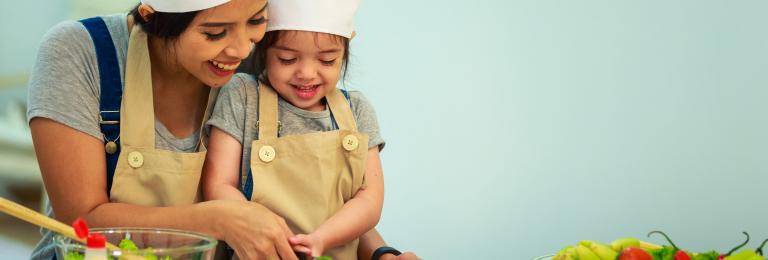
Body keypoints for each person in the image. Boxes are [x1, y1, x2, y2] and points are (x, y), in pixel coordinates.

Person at [27, 0, 417, 258]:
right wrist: (214, 219)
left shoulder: (269, 70)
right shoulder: (81, 53)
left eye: (256, 21)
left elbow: (318, 200)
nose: (241, 50)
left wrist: (383, 254)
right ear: (151, 13)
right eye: (215, 33)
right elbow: (82, 217)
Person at [202, 0, 417, 259]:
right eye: (287, 58)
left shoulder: (357, 111)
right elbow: (218, 186)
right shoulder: (242, 96)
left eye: (327, 60)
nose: (306, 73)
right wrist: (270, 233)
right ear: (263, 48)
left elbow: (369, 200)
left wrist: (320, 239)